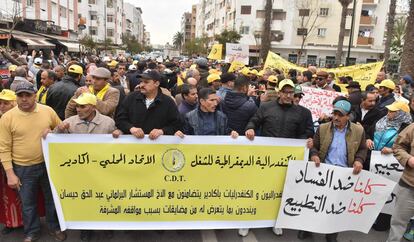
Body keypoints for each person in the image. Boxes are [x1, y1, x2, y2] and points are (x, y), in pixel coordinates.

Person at [243, 79, 311, 237]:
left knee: (280, 192)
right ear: (279, 93)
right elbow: (253, 121)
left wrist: (307, 140)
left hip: (288, 161)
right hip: (265, 159)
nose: (288, 95)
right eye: (285, 92)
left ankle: (276, 222)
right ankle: (247, 221)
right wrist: (250, 129)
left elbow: (306, 132)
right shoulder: (266, 107)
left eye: (291, 92)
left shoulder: (303, 113)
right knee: (257, 190)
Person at [0, 82, 66, 242]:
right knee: (28, 203)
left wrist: (53, 131)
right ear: (16, 98)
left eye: (27, 95)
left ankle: (55, 227)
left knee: (52, 200)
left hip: (48, 165)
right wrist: (10, 174)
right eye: (20, 96)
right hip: (22, 168)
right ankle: (32, 232)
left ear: (35, 95)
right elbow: (4, 148)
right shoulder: (7, 118)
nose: (24, 99)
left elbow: (62, 128)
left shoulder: (47, 111)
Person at [302, 100, 367, 242]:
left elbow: (362, 149)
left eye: (340, 115)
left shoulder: (358, 130)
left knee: (336, 208)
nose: (336, 118)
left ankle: (331, 235)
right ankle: (306, 228)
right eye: (334, 113)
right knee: (315, 203)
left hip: (344, 175)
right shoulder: (323, 128)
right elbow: (315, 146)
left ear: (348, 116)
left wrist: (359, 160)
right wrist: (314, 155)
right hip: (323, 172)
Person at [115, 69, 182, 139]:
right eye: (141, 82)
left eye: (146, 82)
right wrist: (131, 128)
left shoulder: (168, 102)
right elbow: (120, 119)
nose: (141, 85)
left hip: (158, 145)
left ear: (156, 83)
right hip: (133, 145)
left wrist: (162, 131)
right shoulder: (130, 98)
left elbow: (176, 124)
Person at [387, 121, 414, 241]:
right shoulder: (412, 128)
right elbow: (398, 146)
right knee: (398, 224)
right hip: (409, 185)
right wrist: (408, 159)